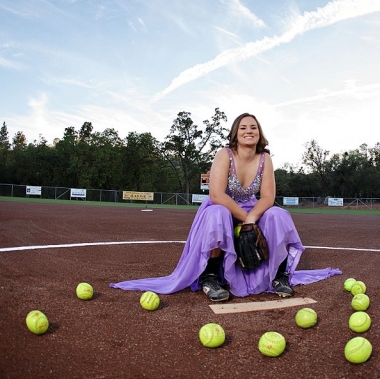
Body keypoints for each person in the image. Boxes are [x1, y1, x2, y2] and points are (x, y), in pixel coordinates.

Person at [110, 113, 341, 301]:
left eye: (253, 127)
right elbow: (217, 194)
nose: (249, 131)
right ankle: (210, 276)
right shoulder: (224, 154)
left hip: (252, 208)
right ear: (235, 133)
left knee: (278, 215)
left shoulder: (265, 158)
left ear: (259, 133)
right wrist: (245, 218)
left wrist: (252, 218)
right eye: (243, 128)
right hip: (222, 206)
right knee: (218, 213)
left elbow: (268, 197)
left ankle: (279, 275)